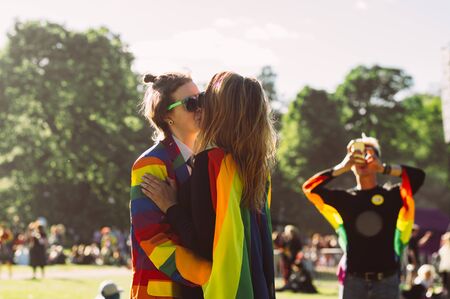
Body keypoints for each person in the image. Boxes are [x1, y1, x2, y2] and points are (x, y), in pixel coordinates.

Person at [141, 71, 278, 298]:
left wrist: (171, 206)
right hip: (255, 288)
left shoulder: (213, 163)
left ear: (222, 111)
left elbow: (205, 245)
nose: (200, 107)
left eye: (205, 99)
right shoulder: (256, 169)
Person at [302, 134, 426, 299]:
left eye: (369, 154)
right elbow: (310, 188)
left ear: (377, 160)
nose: (363, 159)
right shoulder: (345, 198)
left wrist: (384, 168)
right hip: (353, 282)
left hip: (387, 281)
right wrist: (342, 167)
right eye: (358, 154)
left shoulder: (392, 196)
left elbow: (418, 176)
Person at [130, 72, 211, 299]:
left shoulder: (207, 160)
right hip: (162, 291)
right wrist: (210, 273)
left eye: (202, 99)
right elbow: (153, 239)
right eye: (190, 103)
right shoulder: (150, 164)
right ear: (167, 115)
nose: (200, 108)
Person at [438, 232, 450, 297]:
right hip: (444, 269)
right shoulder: (444, 248)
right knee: (445, 286)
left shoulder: (444, 248)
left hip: (446, 269)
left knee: (446, 286)